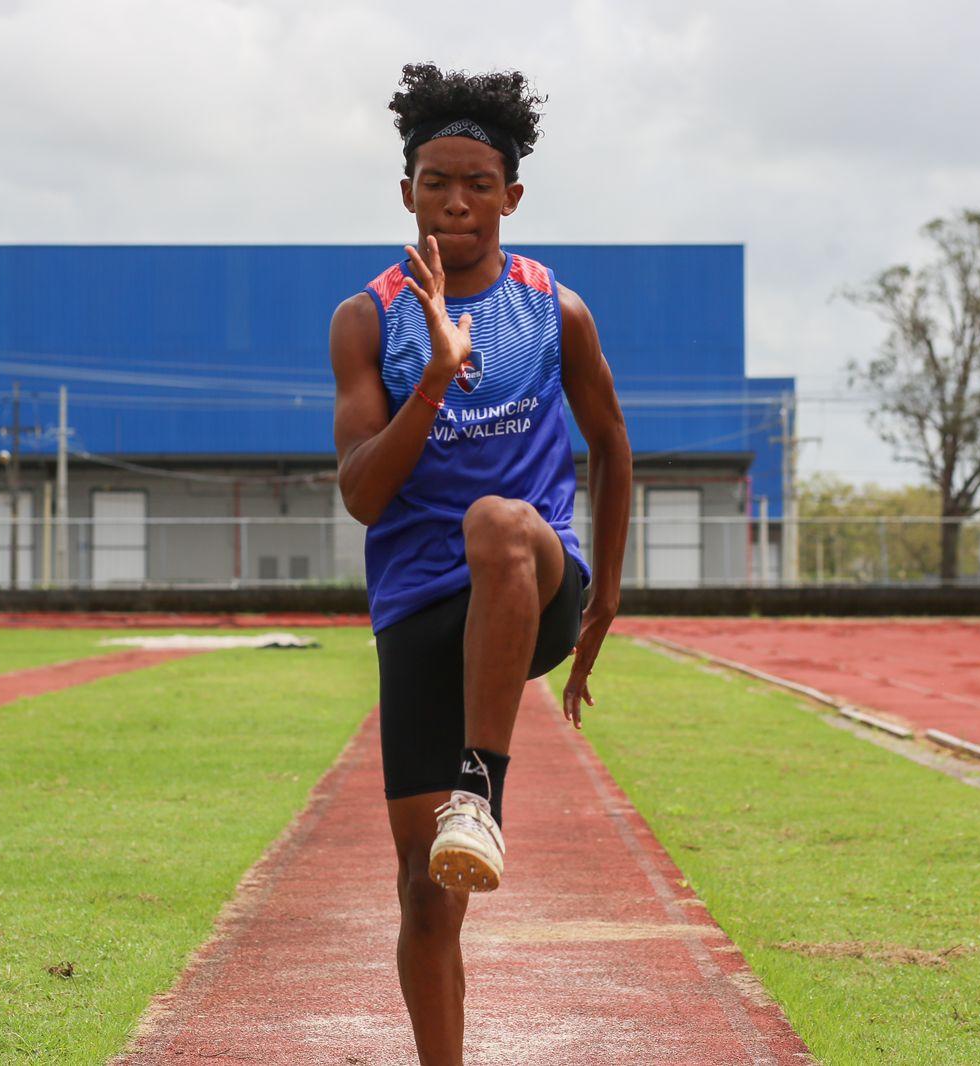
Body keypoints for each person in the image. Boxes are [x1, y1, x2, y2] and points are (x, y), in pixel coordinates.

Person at [329, 62, 632, 1063]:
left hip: (531, 578)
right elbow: (363, 494)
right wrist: (437, 378)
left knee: (497, 520)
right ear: (406, 191)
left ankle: (479, 788)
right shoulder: (367, 320)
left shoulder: (556, 309)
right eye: (432, 181)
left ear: (511, 194)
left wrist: (602, 610)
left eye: (474, 181)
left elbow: (613, 448)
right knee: (425, 891)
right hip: (419, 609)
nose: (454, 201)